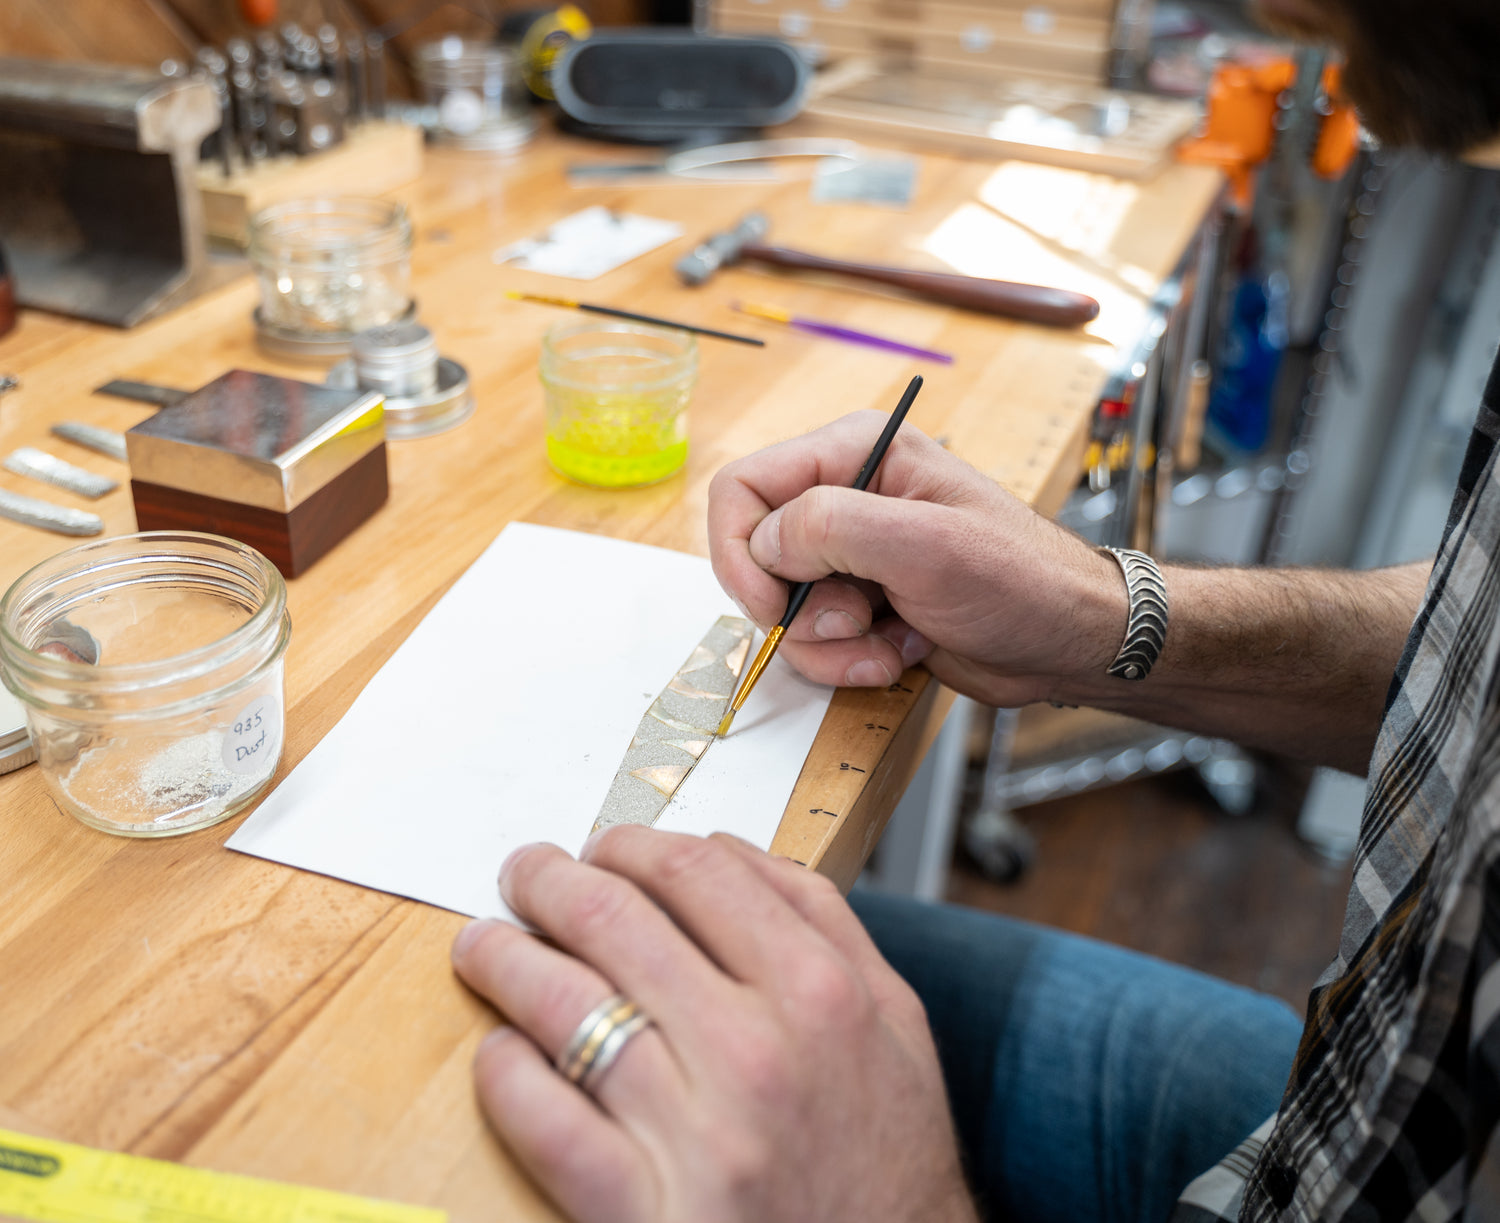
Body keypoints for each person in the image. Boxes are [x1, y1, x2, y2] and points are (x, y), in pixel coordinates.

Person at [449, 1, 1500, 1219]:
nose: (1255, 13)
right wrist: (1102, 614)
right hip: (1358, 1094)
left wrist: (890, 1197)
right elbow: (1473, 663)